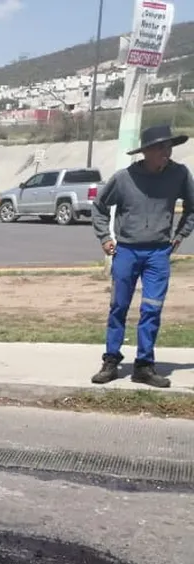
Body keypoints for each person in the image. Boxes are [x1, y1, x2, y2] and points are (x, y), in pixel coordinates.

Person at [91, 123, 194, 388]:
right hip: (126, 250)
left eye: (169, 147)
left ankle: (144, 366)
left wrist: (180, 235)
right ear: (146, 151)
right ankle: (111, 361)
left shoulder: (179, 175)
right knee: (119, 308)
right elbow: (100, 206)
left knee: (152, 309)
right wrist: (105, 237)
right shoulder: (124, 178)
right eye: (161, 147)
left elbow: (192, 207)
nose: (167, 152)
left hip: (159, 253)